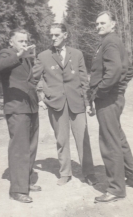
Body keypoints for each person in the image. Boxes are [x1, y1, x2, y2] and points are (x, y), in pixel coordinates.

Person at [33, 23, 97, 186]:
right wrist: (41, 96)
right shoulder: (43, 56)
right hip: (56, 103)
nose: (53, 38)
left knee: (83, 138)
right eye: (51, 35)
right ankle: (65, 173)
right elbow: (34, 79)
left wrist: (88, 102)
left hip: (77, 101)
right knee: (61, 139)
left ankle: (89, 172)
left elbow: (84, 80)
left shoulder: (77, 54)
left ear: (65, 35)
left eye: (56, 35)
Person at [89, 11, 133, 203]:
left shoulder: (110, 42)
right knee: (118, 138)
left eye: (103, 23)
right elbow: (128, 70)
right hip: (113, 97)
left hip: (108, 99)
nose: (99, 26)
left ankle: (116, 189)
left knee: (109, 143)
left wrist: (100, 92)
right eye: (96, 24)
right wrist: (121, 88)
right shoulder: (112, 42)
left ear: (113, 24)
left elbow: (116, 71)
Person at [0, 28, 41, 203]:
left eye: (25, 40)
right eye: (20, 41)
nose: (24, 43)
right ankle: (17, 189)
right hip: (17, 108)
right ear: (11, 42)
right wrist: (20, 54)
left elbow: (30, 81)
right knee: (19, 148)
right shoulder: (6, 54)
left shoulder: (26, 57)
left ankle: (25, 182)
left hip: (31, 106)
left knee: (31, 147)